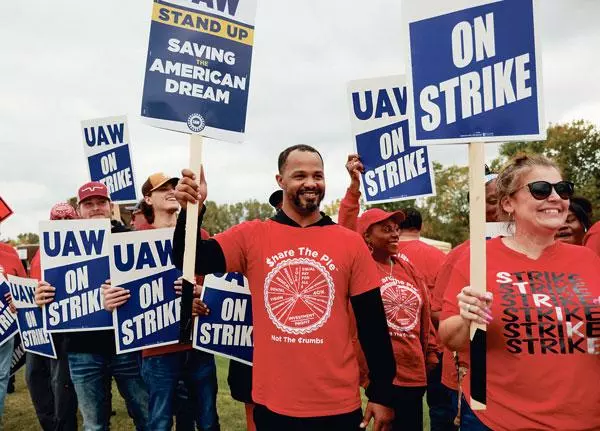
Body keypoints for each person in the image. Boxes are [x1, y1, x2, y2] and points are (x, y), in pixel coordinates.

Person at [175, 144, 396, 430]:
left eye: (318, 175)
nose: (310, 183)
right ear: (280, 181)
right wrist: (192, 210)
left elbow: (373, 324)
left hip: (337, 405)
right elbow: (189, 260)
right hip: (273, 404)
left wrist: (382, 393)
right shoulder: (252, 235)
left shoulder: (350, 243)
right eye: (299, 175)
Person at [439, 153, 600, 430]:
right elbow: (450, 338)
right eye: (540, 190)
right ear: (508, 203)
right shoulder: (478, 258)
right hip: (500, 419)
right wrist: (467, 317)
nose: (554, 197)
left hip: (585, 419)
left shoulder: (587, 259)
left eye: (563, 190)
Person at [103, 172, 219, 431]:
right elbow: (115, 294)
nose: (171, 190)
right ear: (147, 198)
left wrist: (202, 291)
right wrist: (109, 300)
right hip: (158, 353)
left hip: (198, 345)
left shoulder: (199, 233)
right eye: (162, 188)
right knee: (160, 421)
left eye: (173, 186)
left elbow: (215, 285)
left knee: (208, 420)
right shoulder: (130, 241)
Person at [35, 182, 149, 431]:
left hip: (126, 346)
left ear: (111, 206)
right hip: (82, 350)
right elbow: (50, 293)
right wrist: (41, 296)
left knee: (146, 416)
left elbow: (148, 290)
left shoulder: (131, 239)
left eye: (101, 202)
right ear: (79, 209)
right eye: (89, 204)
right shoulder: (59, 244)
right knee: (94, 425)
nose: (95, 208)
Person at [338, 156, 438, 430]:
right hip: (381, 375)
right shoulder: (360, 264)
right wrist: (354, 186)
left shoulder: (408, 268)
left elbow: (424, 314)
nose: (395, 234)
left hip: (414, 374)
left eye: (396, 228)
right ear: (366, 236)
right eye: (386, 229)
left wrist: (430, 354)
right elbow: (345, 228)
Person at [26, 202, 79, 431]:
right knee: (34, 379)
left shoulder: (80, 248)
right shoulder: (41, 252)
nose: (63, 225)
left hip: (64, 326)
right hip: (38, 326)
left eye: (68, 219)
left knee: (61, 385)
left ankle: (65, 426)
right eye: (58, 220)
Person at [0, 245, 25, 419]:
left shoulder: (10, 255)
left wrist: (17, 298)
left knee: (2, 377)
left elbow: (25, 289)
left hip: (5, 328)